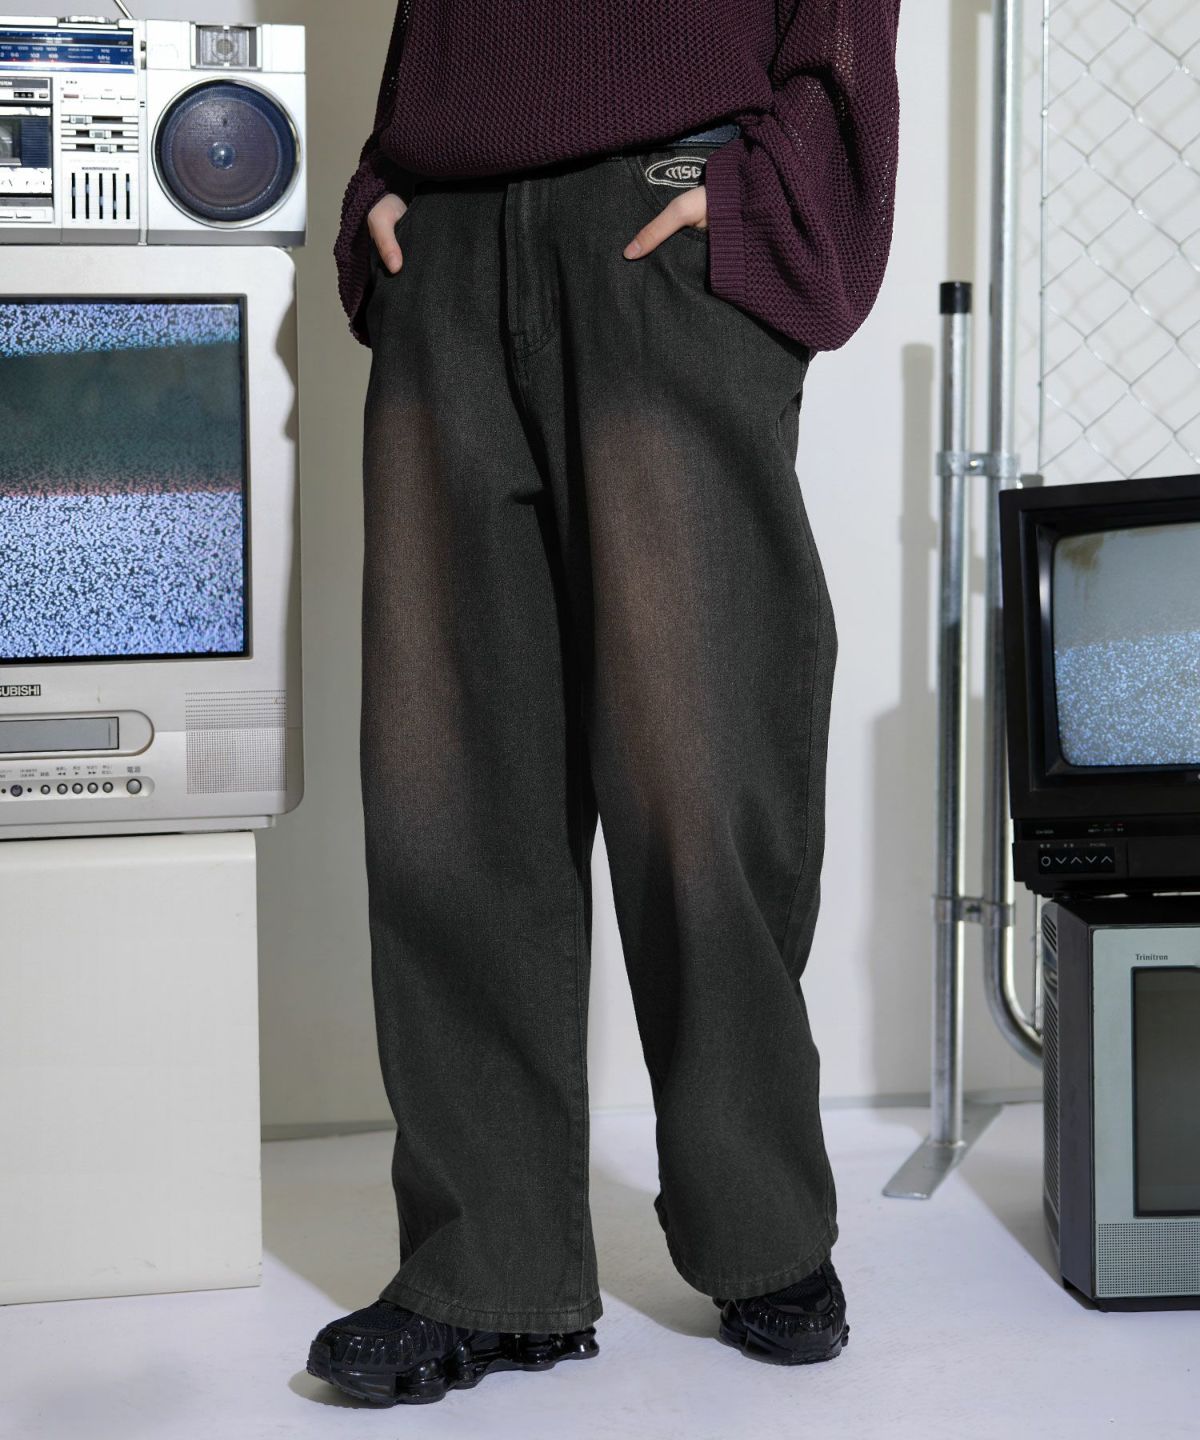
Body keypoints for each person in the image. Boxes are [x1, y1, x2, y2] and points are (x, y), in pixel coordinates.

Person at [307, 0, 902, 1407]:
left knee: (701, 765)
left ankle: (761, 1230)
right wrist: (386, 174)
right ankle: (484, 1267)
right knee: (448, 786)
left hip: (661, 224)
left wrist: (775, 193)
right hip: (448, 240)